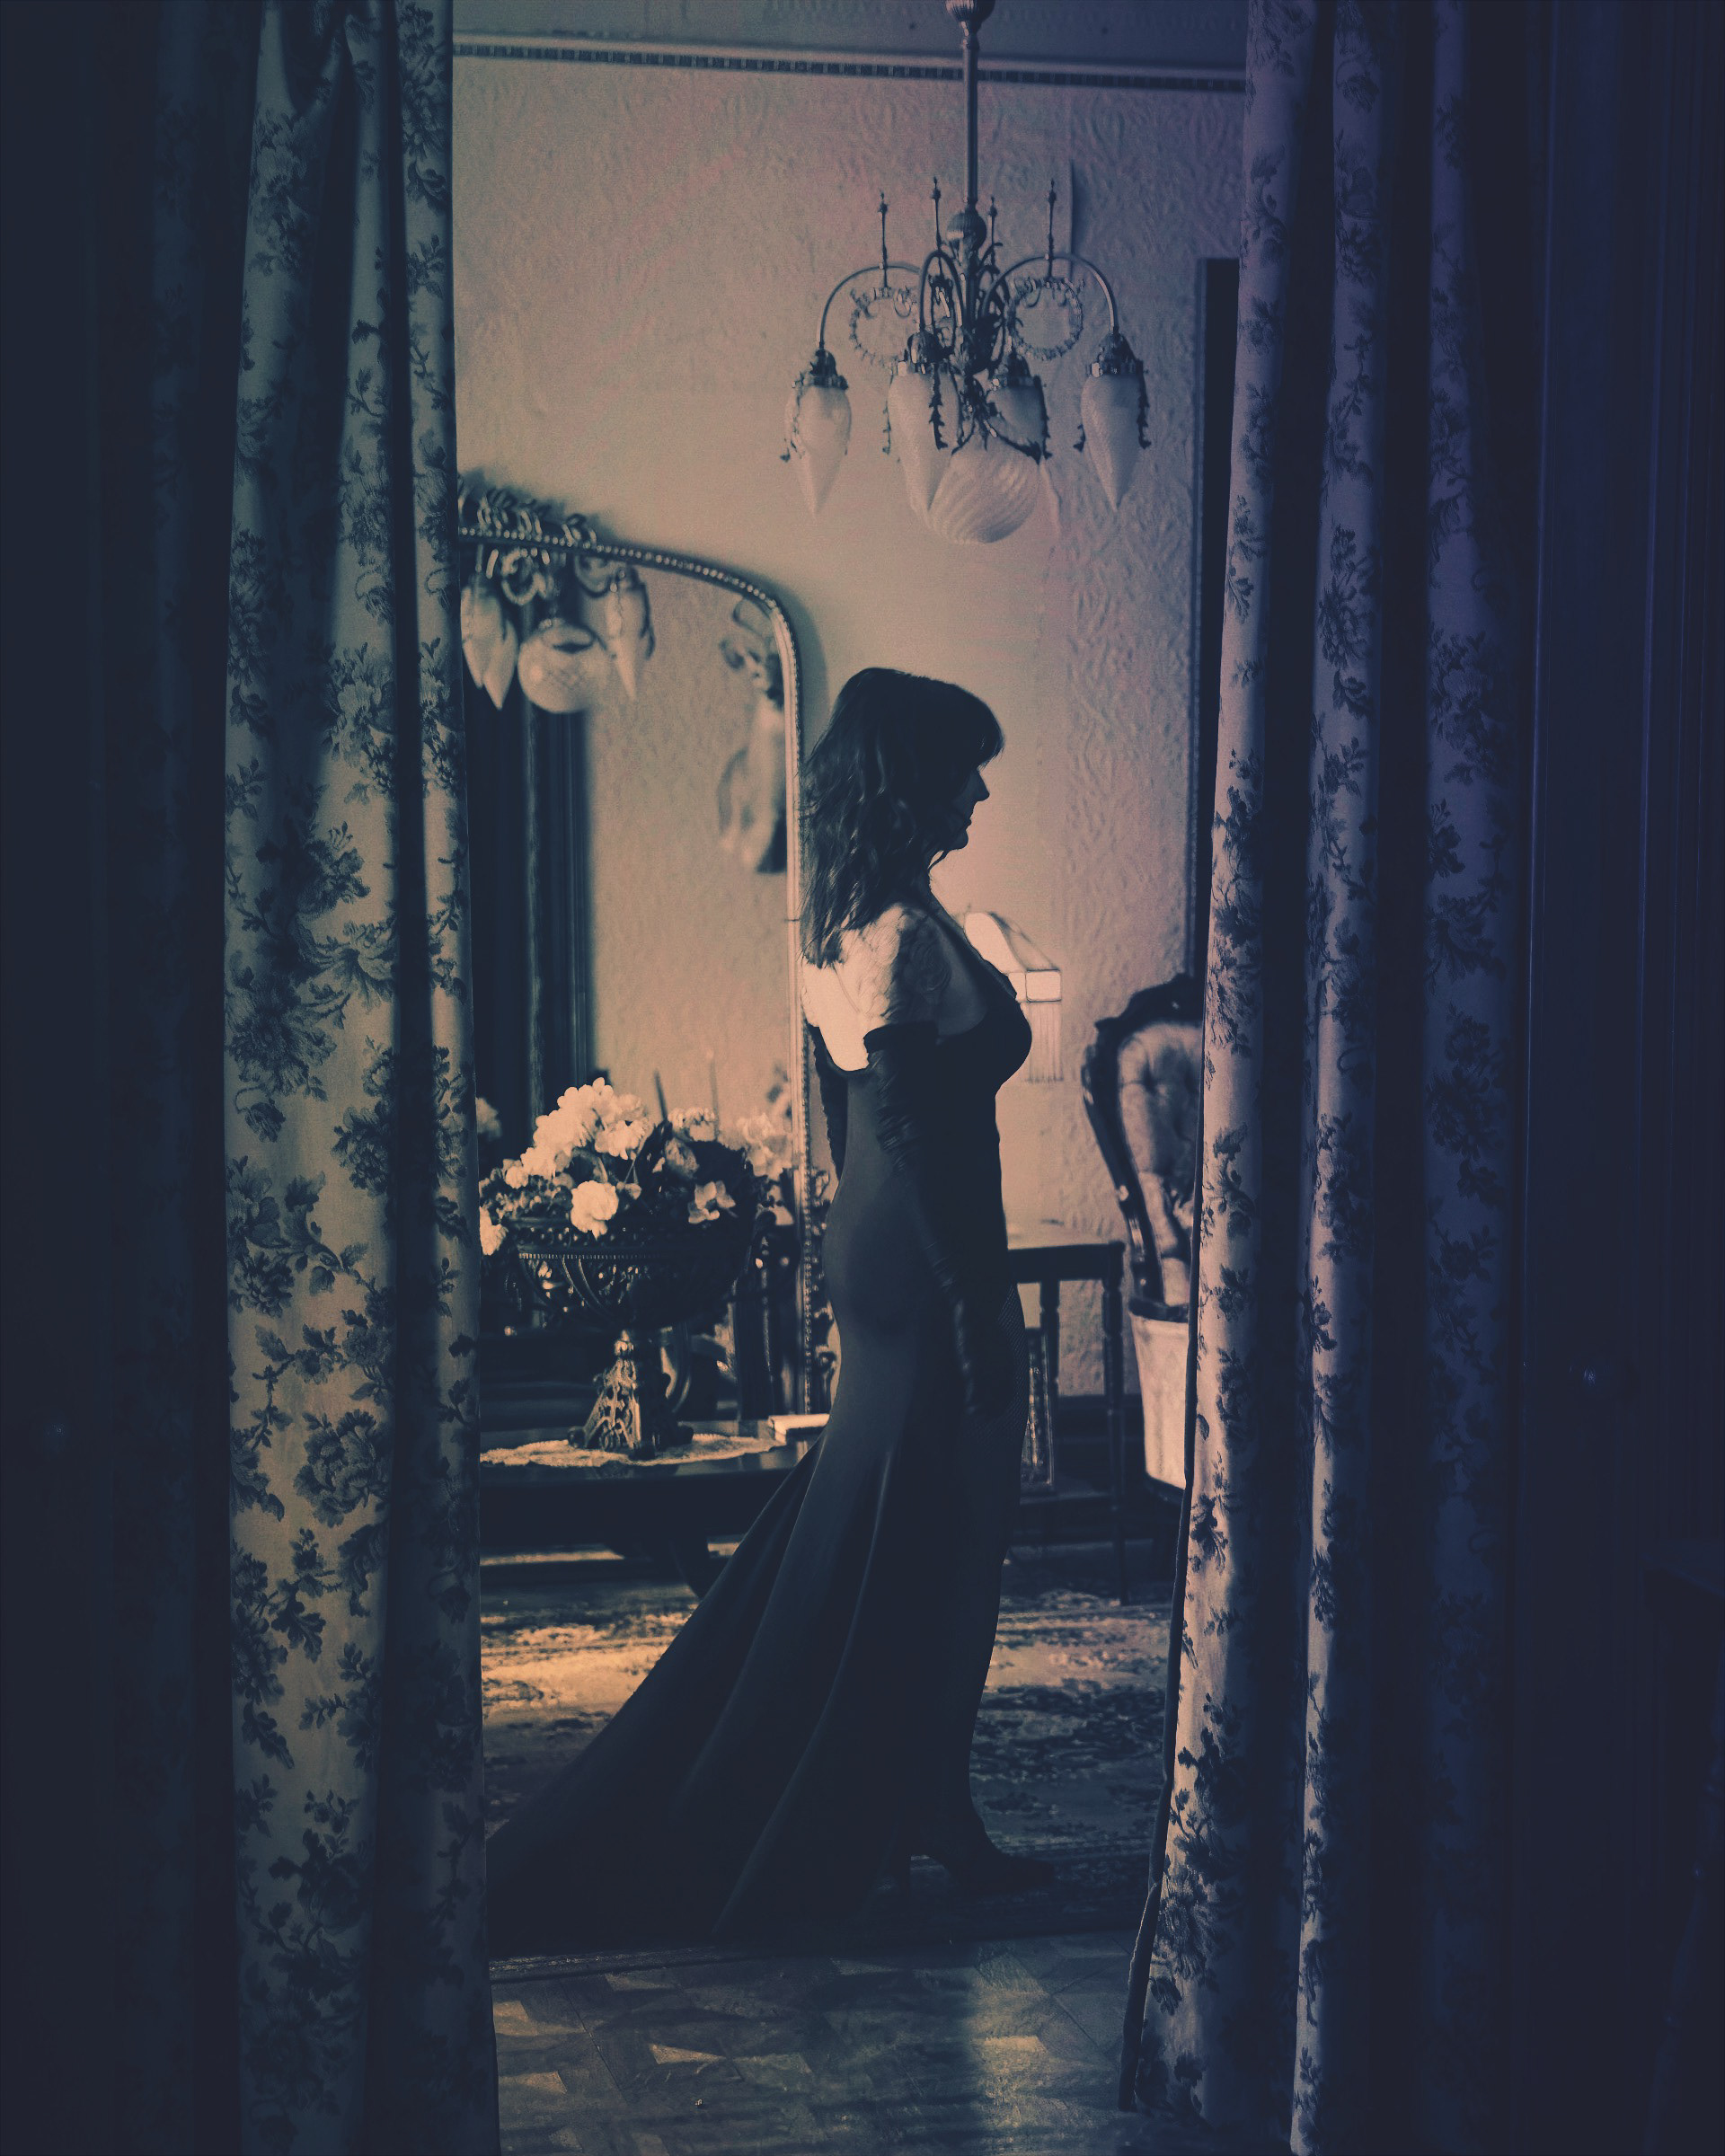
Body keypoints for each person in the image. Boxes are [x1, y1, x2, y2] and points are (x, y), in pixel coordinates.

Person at [484, 667, 1051, 1952]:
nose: (980, 791)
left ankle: (920, 1801)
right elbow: (910, 1127)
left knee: (895, 1529)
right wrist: (972, 1299)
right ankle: (895, 1806)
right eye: (965, 768)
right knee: (946, 1535)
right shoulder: (900, 937)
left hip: (892, 1247)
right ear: (910, 779)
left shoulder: (856, 923)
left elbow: (857, 1125)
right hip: (928, 1255)